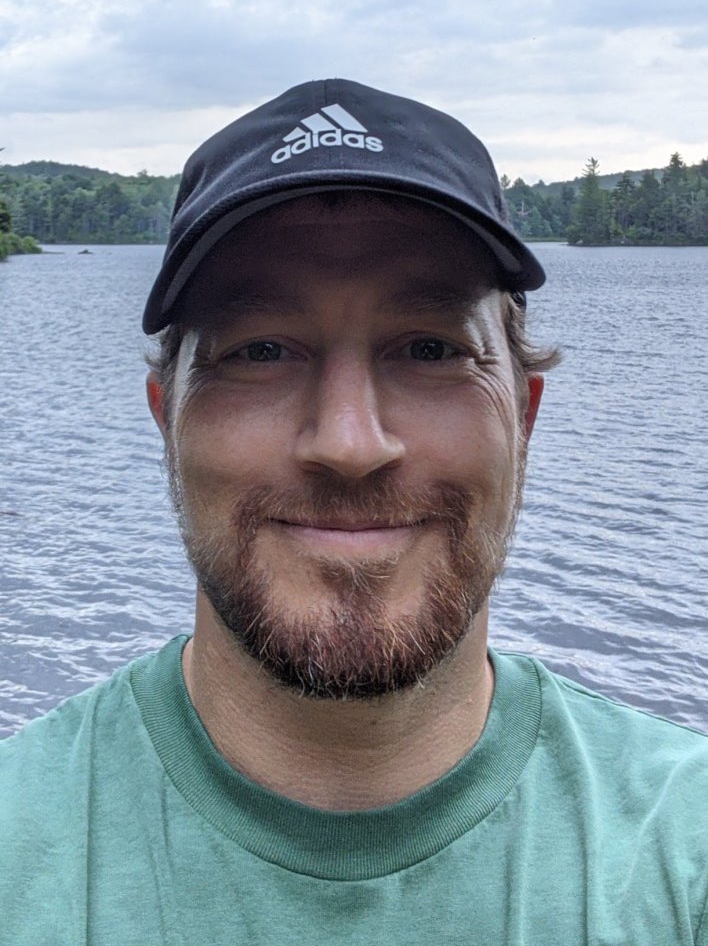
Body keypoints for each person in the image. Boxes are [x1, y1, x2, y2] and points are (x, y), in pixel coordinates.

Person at [1, 78, 706, 945]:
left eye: (430, 348)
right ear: (166, 417)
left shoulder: (682, 851)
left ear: (521, 417)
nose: (349, 442)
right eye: (260, 350)